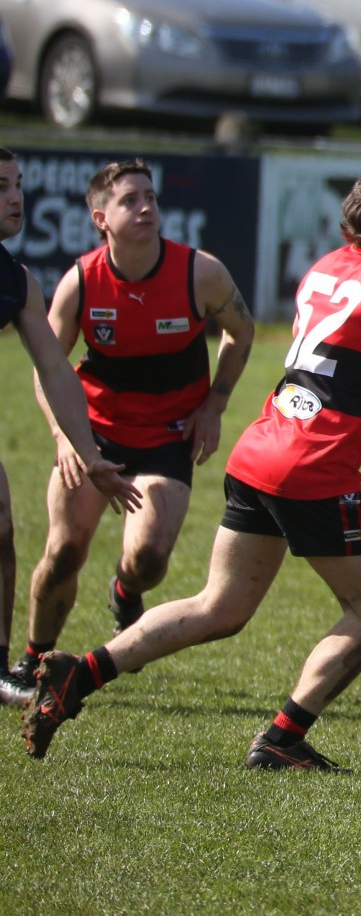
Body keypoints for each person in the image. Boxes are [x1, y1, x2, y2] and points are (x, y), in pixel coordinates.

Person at [22, 164, 361, 768]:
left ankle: (81, 673)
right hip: (315, 468)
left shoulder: (328, 267)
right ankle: (283, 738)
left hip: (261, 450)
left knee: (219, 607)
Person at [1, 161, 256, 708]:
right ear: (101, 218)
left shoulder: (199, 273)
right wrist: (65, 438)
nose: (145, 208)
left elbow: (241, 328)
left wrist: (216, 402)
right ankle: (33, 657)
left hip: (167, 437)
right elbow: (49, 369)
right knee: (65, 550)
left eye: (151, 197)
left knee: (148, 559)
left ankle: (126, 593)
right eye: (129, 201)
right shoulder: (81, 282)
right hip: (92, 435)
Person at [0, 150, 138, 709]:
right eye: (0, 186)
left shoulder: (15, 281)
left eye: (17, 185)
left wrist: (86, 453)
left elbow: (55, 368)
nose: (15, 197)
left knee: (1, 530)